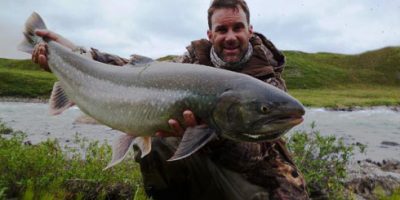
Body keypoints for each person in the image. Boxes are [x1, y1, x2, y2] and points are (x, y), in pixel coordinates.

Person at [32, 0, 309, 199]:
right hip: (204, 164)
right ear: (210, 34)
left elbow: (253, 156)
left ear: (250, 30)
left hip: (253, 175)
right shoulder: (188, 64)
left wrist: (209, 132)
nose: (231, 37)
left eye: (238, 28)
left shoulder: (269, 83)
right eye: (222, 30)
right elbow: (129, 69)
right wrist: (66, 50)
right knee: (161, 143)